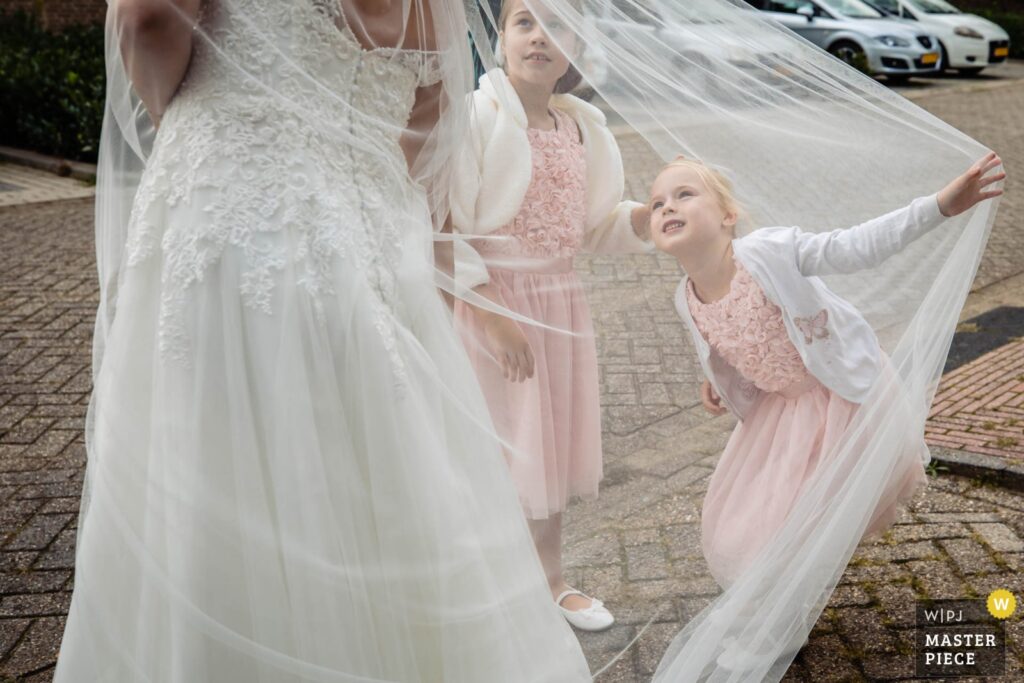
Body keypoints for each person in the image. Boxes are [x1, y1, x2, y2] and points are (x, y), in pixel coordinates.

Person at [54, 0, 592, 680]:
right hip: (372, 251)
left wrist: (204, 123)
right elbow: (424, 147)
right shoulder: (436, 11)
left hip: (233, 220)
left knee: (217, 484)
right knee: (386, 478)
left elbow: (150, 19)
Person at [649, 151, 1004, 668]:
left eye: (685, 194)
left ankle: (778, 628)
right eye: (657, 202)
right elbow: (725, 342)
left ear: (728, 216)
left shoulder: (767, 253)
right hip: (783, 413)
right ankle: (775, 611)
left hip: (841, 400)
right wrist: (714, 380)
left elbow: (855, 247)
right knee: (738, 523)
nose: (668, 205)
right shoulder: (685, 296)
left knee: (795, 527)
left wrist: (938, 207)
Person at [449, 0, 652, 632]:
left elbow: (595, 226)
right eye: (525, 21)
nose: (541, 37)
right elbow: (445, 225)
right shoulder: (475, 118)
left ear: (579, 44)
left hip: (561, 306)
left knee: (547, 450)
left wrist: (648, 218)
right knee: (496, 447)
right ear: (500, 37)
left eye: (558, 24)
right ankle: (486, 578)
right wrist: (489, 313)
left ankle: (551, 579)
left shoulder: (582, 127)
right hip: (495, 308)